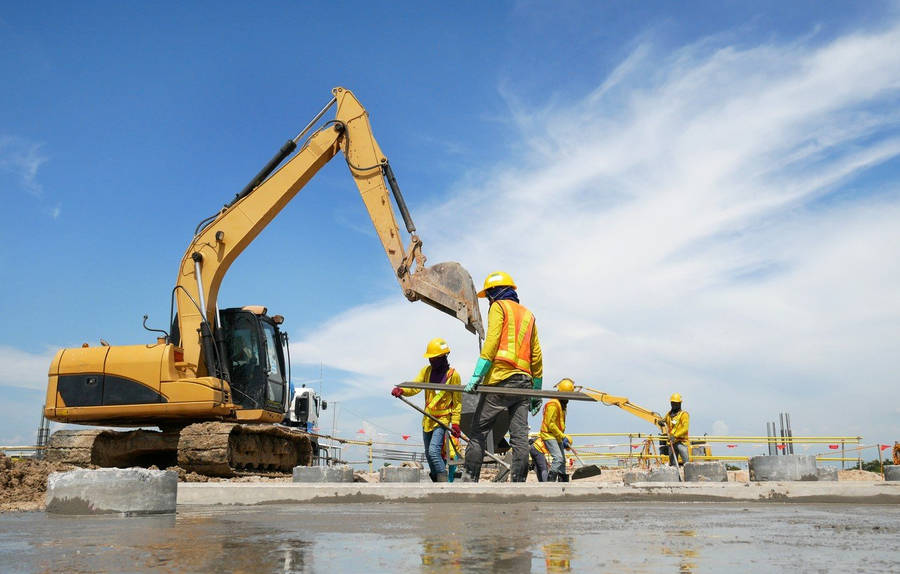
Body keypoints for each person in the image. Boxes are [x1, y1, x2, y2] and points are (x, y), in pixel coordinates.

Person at [462, 271, 542, 482]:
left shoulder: (499, 307)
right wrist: (536, 392)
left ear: (495, 293)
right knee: (520, 438)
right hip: (523, 383)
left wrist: (477, 374)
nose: (488, 300)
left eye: (488, 296)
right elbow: (536, 355)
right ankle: (518, 483)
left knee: (478, 433)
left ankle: (469, 480)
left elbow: (492, 341)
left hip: (500, 380)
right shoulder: (528, 315)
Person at [391, 338, 462, 482]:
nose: (431, 361)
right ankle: (437, 481)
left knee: (434, 452)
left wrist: (455, 423)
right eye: (430, 358)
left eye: (434, 358)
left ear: (443, 357)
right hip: (428, 419)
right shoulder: (427, 371)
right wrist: (402, 390)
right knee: (429, 455)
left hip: (442, 420)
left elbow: (457, 403)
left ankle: (443, 483)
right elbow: (415, 386)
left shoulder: (453, 376)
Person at [539, 378, 574, 482]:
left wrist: (561, 436)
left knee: (562, 460)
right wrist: (562, 436)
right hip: (548, 435)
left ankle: (563, 481)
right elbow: (551, 424)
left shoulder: (561, 404)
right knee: (558, 458)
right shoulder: (553, 404)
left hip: (556, 435)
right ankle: (550, 481)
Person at [665, 393, 690, 467]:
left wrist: (675, 435)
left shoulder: (684, 414)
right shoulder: (669, 414)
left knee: (686, 463)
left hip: (681, 442)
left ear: (680, 404)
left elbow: (685, 428)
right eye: (672, 403)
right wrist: (661, 422)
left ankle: (688, 473)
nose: (674, 405)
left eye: (675, 403)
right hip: (672, 442)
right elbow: (664, 420)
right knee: (673, 465)